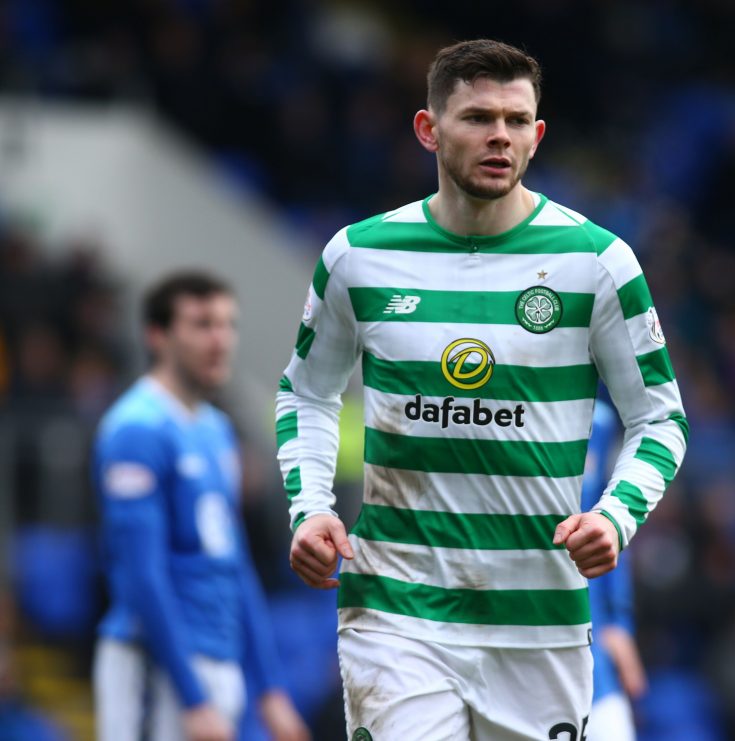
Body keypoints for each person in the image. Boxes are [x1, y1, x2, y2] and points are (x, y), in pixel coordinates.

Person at [277, 39, 689, 740]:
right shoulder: (358, 256)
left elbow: (660, 418)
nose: (500, 135)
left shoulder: (597, 262)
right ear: (429, 129)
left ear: (537, 134)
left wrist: (615, 516)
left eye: (516, 119)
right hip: (396, 612)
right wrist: (310, 507)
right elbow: (306, 394)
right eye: (477, 117)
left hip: (538, 622)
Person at [92, 272, 309, 741]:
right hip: (155, 666)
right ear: (158, 335)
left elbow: (233, 563)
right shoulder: (137, 429)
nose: (220, 340)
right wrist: (192, 696)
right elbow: (142, 573)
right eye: (202, 324)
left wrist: (270, 688)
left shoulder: (217, 431)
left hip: (218, 659)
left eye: (228, 324)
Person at [583, 398, 648, 741]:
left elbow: (609, 528)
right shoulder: (496, 411)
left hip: (592, 639)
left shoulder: (601, 421)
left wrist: (619, 624)